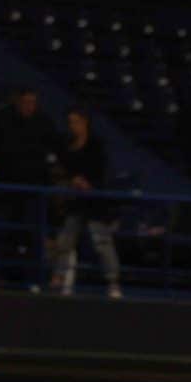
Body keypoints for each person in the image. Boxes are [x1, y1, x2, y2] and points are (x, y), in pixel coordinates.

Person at [51, 109, 120, 299]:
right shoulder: (67, 145)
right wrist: (73, 180)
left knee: (102, 243)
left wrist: (89, 184)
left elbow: (102, 172)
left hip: (95, 201)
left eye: (76, 121)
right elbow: (62, 168)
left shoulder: (96, 145)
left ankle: (113, 282)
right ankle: (59, 276)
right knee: (65, 240)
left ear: (85, 122)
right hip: (75, 201)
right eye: (70, 122)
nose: (72, 126)